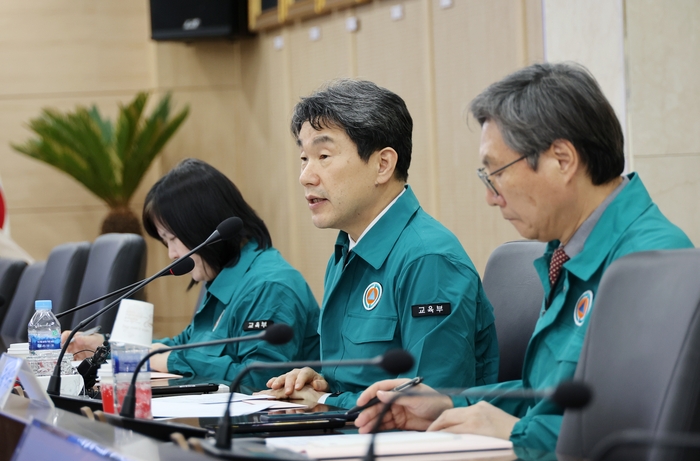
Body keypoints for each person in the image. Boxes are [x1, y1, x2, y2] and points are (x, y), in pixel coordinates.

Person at [353, 62, 694, 452]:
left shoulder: (651, 263)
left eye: (496, 172)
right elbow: (546, 395)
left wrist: (517, 433)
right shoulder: (567, 249)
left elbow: (632, 432)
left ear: (562, 160)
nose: (491, 196)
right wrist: (451, 402)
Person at [262, 79, 499, 409]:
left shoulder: (427, 259)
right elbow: (355, 378)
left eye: (323, 155)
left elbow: (427, 405)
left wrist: (326, 400)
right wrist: (317, 378)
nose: (306, 175)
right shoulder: (347, 249)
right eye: (304, 158)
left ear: (383, 165)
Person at [63, 158, 320, 389]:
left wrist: (170, 360)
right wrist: (104, 347)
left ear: (203, 227)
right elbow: (183, 344)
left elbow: (259, 380)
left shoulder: (270, 286)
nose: (172, 254)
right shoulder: (222, 278)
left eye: (173, 238)